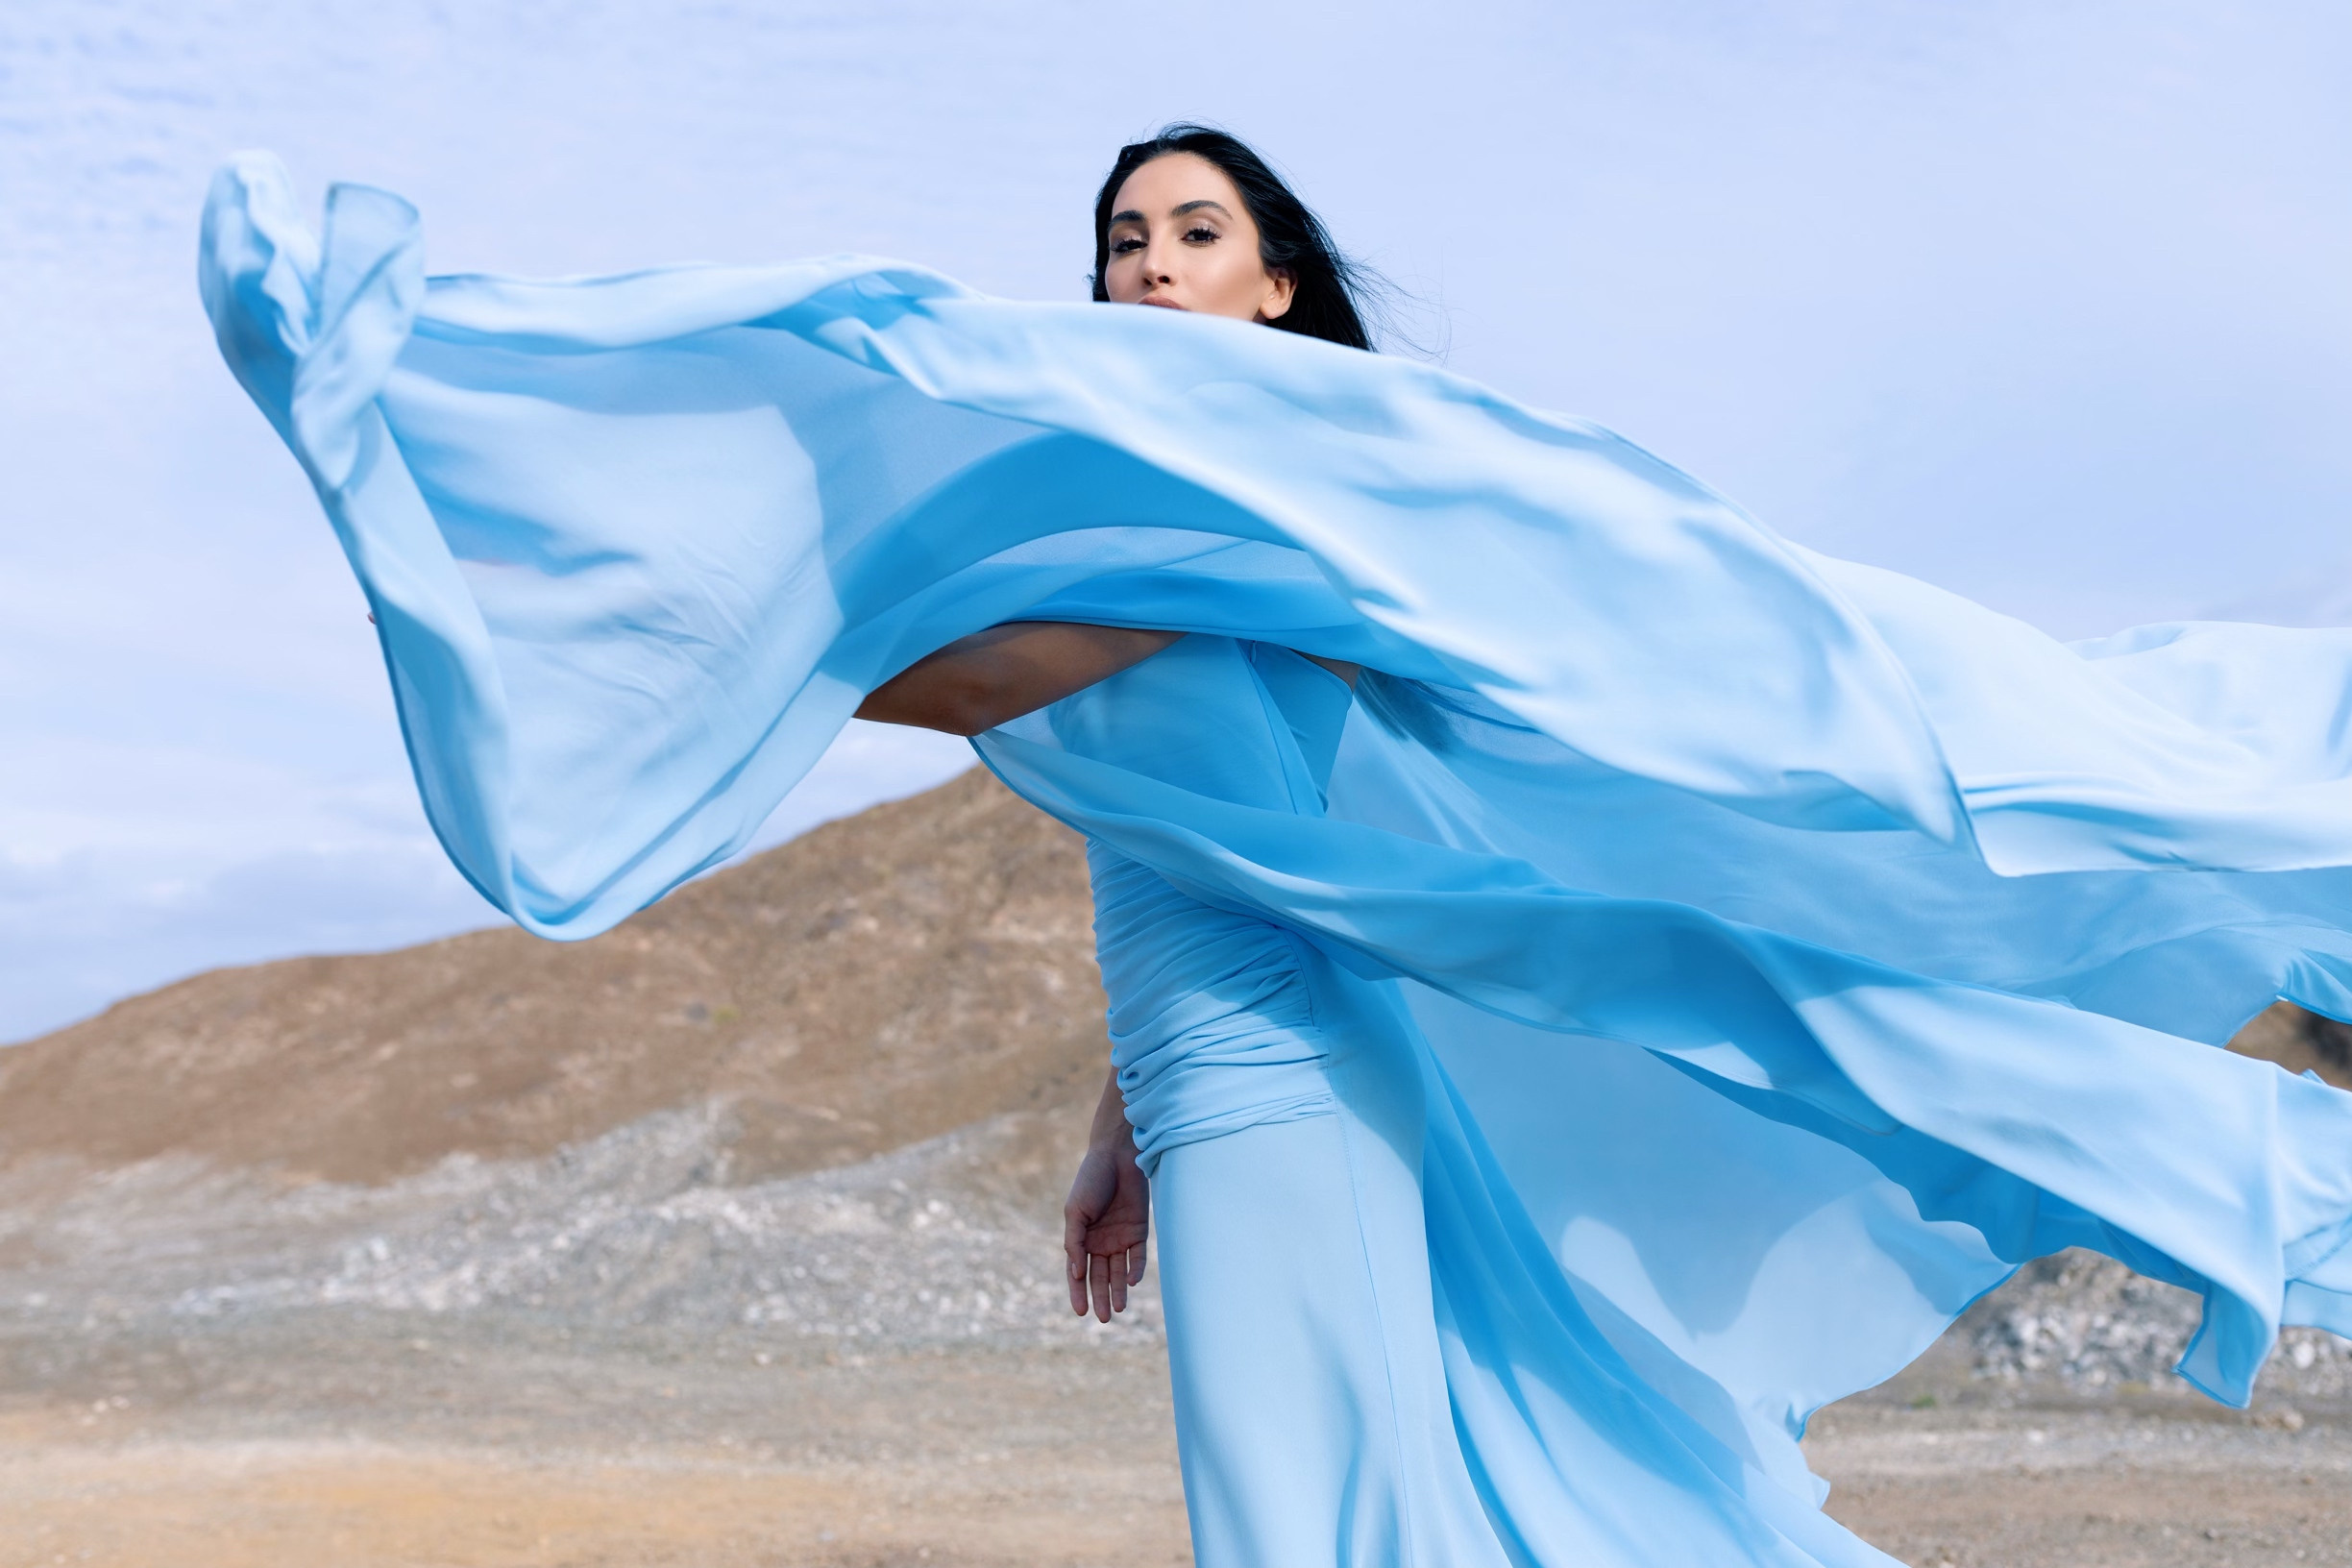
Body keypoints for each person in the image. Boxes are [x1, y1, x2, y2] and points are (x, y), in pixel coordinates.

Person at [199, 125, 2352, 1568]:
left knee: (1312, 1512)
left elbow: (971, 684)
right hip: (1235, 1064)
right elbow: (1205, 838)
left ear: (1278, 283)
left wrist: (659, 616)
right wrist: (1116, 1126)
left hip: (1288, 1080)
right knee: (1407, 1497)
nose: (1144, 265)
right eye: (1121, 239)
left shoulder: (1259, 489)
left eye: (1191, 234)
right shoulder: (1137, 478)